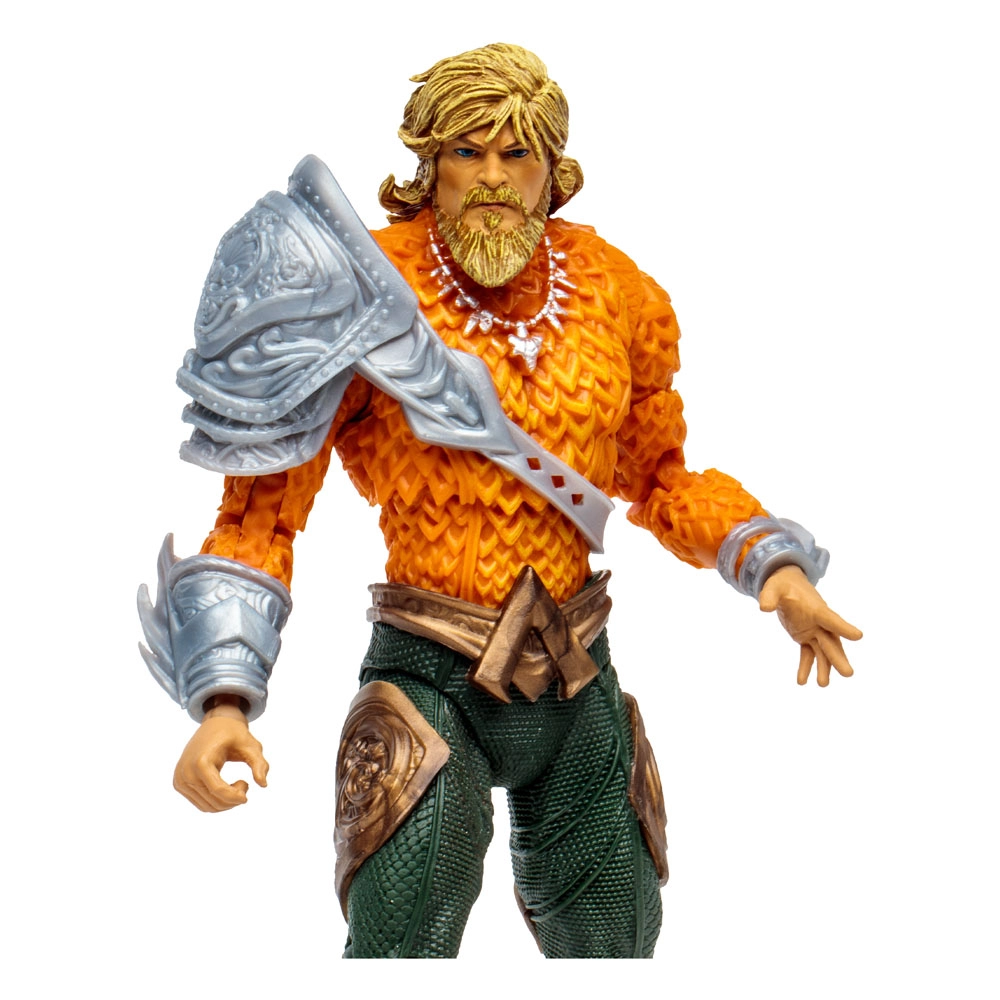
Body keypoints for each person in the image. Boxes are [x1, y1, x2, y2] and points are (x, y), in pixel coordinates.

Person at [140, 43, 861, 959]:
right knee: (403, 930)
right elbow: (259, 513)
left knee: (617, 938)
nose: (491, 177)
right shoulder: (357, 295)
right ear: (428, 166)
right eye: (465, 152)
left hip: (574, 668)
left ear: (552, 170)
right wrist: (224, 698)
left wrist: (774, 568)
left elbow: (660, 477)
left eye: (516, 153)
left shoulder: (615, 293)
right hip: (430, 675)